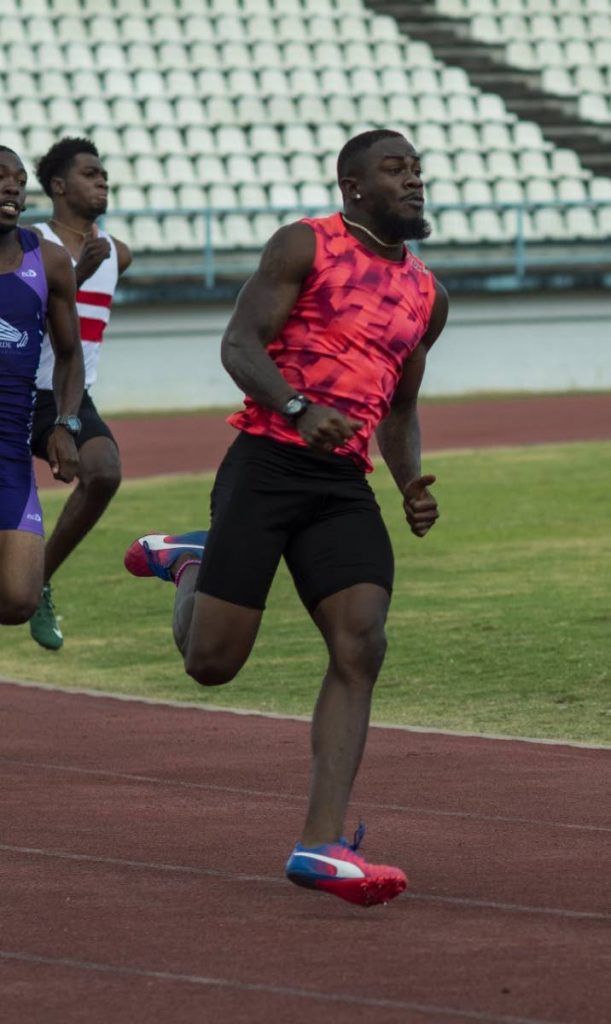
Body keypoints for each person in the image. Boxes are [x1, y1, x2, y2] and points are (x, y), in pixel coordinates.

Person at [124, 130, 449, 907]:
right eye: (394, 170)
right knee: (212, 663)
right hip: (267, 463)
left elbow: (399, 409)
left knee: (361, 641)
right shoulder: (305, 245)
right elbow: (240, 345)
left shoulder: (427, 294)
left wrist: (407, 482)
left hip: (341, 484)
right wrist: (298, 408)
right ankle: (191, 561)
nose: (414, 181)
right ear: (352, 185)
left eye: (417, 170)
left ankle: (320, 846)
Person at [28, 137, 132, 650]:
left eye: (105, 174)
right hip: (13, 384)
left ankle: (38, 579)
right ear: (58, 185)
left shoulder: (118, 252)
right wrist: (74, 276)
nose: (103, 181)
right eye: (91, 174)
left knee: (105, 471)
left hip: (67, 394)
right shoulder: (29, 243)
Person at [0, 145, 84, 626]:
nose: (11, 185)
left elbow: (69, 354)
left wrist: (65, 423)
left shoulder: (48, 263)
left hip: (9, 450)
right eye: (0, 177)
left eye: (18, 178)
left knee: (17, 599)